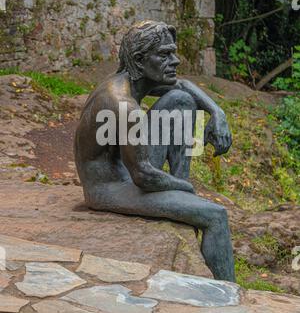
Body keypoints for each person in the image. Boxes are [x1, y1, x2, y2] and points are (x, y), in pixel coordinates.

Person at [74, 20, 235, 281]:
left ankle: (180, 196)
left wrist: (217, 112)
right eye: (164, 54)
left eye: (173, 52)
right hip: (110, 187)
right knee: (215, 216)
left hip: (132, 169)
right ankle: (228, 297)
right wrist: (187, 191)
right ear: (139, 60)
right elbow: (144, 177)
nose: (176, 60)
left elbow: (182, 86)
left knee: (181, 101)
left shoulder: (134, 78)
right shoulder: (122, 104)